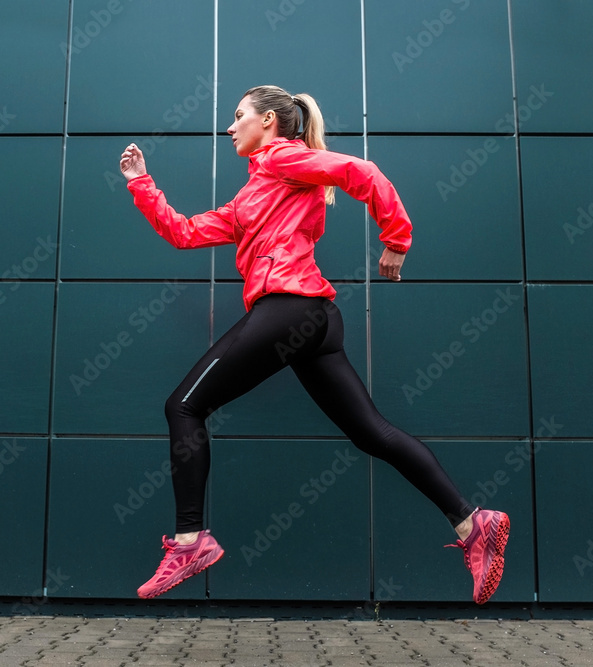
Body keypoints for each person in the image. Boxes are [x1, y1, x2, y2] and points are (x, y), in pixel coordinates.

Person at [118, 85, 509, 604]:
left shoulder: (284, 158)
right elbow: (184, 232)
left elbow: (363, 174)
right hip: (316, 321)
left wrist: (396, 239)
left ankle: (190, 542)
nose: (229, 127)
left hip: (289, 307)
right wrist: (142, 183)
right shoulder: (252, 194)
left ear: (270, 122)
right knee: (373, 433)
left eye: (239, 117)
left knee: (183, 407)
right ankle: (472, 524)